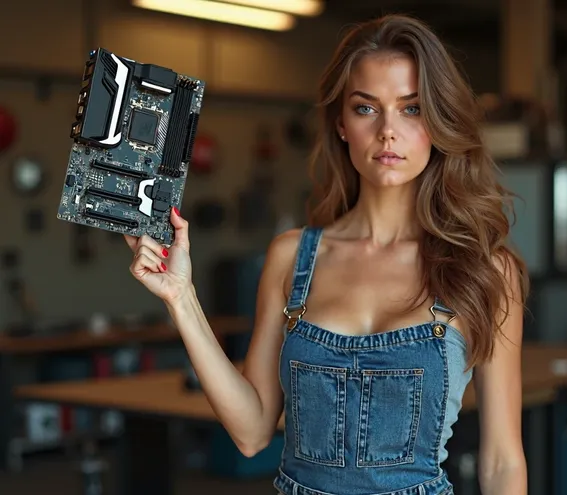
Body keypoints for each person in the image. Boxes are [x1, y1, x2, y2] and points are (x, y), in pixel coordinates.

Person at [125, 13, 529, 495]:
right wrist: (181, 297)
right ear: (341, 124)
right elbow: (253, 433)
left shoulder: (484, 269)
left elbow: (503, 462)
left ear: (439, 122)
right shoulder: (292, 257)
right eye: (366, 109)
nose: (387, 131)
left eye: (412, 108)